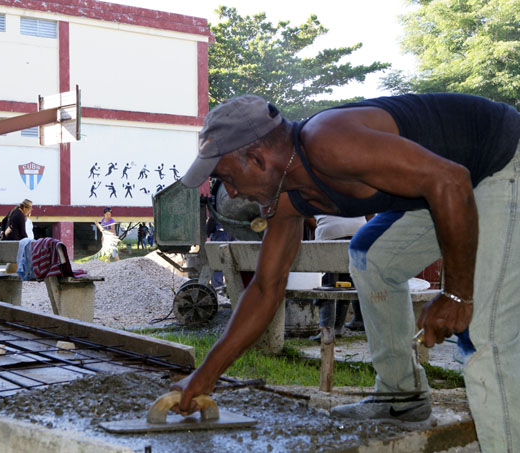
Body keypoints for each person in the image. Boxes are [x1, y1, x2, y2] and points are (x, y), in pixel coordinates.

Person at [175, 94, 520, 452]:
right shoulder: (288, 197)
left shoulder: (329, 142)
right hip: (448, 183)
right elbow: (265, 289)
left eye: (228, 177)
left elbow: (451, 181)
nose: (231, 191)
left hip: (499, 162)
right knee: (372, 256)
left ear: (258, 158)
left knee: (485, 336)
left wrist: (456, 296)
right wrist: (204, 376)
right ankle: (401, 397)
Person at [308, 215, 366, 340]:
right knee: (346, 280)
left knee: (327, 282)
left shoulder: (313, 194)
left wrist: (315, 232)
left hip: (329, 232)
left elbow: (306, 217)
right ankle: (338, 328)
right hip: (359, 230)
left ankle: (327, 331)